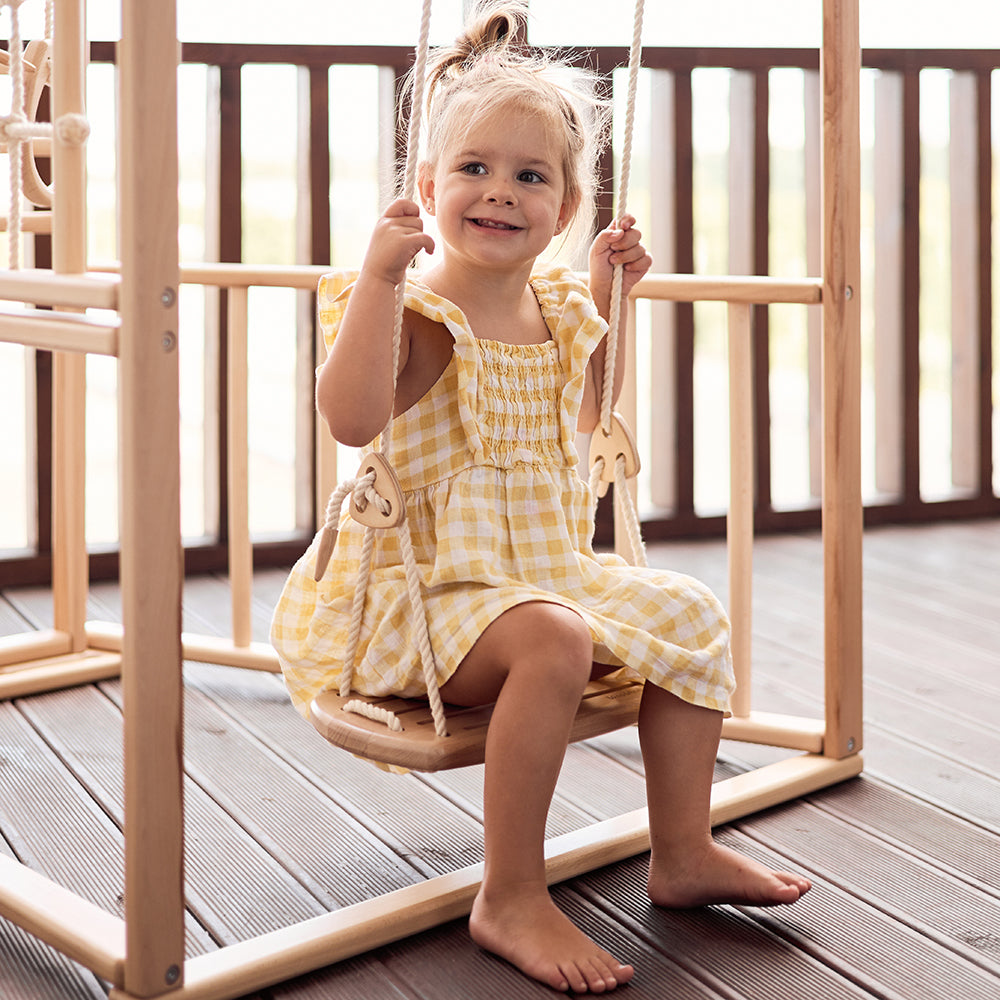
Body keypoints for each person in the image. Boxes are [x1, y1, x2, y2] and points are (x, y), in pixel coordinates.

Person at [271, 1, 811, 992]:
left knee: (688, 609)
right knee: (555, 637)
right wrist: (380, 279)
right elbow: (350, 420)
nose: (499, 193)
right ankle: (508, 891)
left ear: (563, 209)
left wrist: (615, 298)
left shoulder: (557, 308)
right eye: (474, 169)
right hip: (421, 601)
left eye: (530, 176)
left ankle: (681, 848)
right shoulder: (419, 307)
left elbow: (591, 413)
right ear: (427, 188)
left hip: (538, 574)